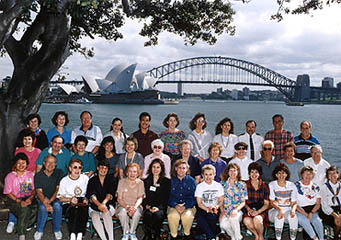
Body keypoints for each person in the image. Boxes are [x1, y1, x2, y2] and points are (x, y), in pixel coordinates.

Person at [3, 153, 37, 240]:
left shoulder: (30, 175)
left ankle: (24, 225)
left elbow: (33, 189)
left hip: (27, 197)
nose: (21, 165)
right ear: (15, 164)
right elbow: (8, 193)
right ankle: (21, 233)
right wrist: (19, 201)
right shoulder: (10, 176)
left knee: (36, 208)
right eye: (18, 163)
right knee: (24, 210)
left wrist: (30, 198)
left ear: (27, 164)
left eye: (23, 163)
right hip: (13, 199)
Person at [33, 155, 64, 240]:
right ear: (44, 163)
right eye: (48, 162)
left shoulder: (59, 173)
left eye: (53, 162)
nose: (50, 164)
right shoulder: (38, 175)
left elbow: (58, 189)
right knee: (43, 208)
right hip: (43, 198)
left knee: (57, 207)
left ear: (56, 164)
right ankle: (39, 230)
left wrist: (50, 202)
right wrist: (46, 203)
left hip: (55, 198)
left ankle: (57, 230)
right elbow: (39, 192)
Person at [57, 159, 89, 240]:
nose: (77, 170)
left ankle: (80, 233)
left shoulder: (85, 178)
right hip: (68, 202)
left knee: (82, 209)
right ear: (70, 168)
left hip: (81, 201)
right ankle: (72, 234)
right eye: (75, 167)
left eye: (79, 167)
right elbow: (60, 198)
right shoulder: (64, 180)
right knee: (74, 210)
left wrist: (86, 199)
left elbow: (89, 192)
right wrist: (70, 199)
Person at [86, 160, 118, 240]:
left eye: (105, 168)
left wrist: (103, 204)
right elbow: (91, 195)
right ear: (97, 168)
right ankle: (103, 238)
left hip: (108, 205)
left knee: (105, 211)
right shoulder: (92, 180)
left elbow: (110, 193)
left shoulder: (111, 179)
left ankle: (111, 238)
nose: (103, 170)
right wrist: (99, 204)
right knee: (94, 215)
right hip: (95, 205)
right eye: (101, 167)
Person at [168, 159, 197, 240]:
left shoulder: (191, 181)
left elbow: (194, 196)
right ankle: (174, 236)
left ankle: (187, 235)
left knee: (187, 217)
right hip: (174, 205)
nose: (181, 170)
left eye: (184, 168)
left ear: (187, 169)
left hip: (188, 206)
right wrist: (175, 205)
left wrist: (186, 206)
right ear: (176, 168)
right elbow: (168, 196)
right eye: (179, 168)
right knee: (172, 216)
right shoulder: (171, 181)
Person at [142, 159, 171, 240]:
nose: (155, 169)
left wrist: (159, 207)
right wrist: (147, 206)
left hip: (160, 207)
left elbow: (166, 197)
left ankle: (156, 234)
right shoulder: (145, 181)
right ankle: (148, 235)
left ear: (161, 169)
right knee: (148, 215)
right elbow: (143, 195)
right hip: (148, 206)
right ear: (150, 168)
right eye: (153, 167)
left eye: (158, 167)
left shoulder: (167, 182)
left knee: (157, 215)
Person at [268, 163, 298, 240]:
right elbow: (272, 202)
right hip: (275, 210)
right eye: (279, 173)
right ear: (276, 175)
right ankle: (278, 238)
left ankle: (293, 238)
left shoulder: (292, 185)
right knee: (279, 216)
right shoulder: (272, 185)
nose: (281, 175)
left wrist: (293, 210)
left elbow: (294, 203)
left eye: (283, 173)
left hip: (288, 209)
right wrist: (280, 209)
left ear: (287, 174)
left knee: (293, 217)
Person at [116, 163, 145, 240]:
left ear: (138, 173)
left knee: (136, 214)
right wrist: (127, 207)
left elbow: (140, 198)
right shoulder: (121, 182)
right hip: (123, 205)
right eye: (130, 171)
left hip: (136, 205)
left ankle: (132, 232)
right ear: (127, 173)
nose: (132, 174)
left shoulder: (140, 183)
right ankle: (126, 232)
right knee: (122, 213)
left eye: (135, 171)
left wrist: (134, 208)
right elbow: (119, 198)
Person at [195, 164, 224, 240]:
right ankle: (212, 237)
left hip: (215, 208)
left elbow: (221, 201)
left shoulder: (218, 186)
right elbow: (199, 203)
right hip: (203, 208)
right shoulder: (200, 186)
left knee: (212, 217)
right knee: (200, 217)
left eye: (210, 174)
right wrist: (207, 209)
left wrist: (216, 207)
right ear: (202, 175)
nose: (208, 177)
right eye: (206, 174)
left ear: (214, 175)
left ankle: (209, 236)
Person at [295, 166, 324, 240]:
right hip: (300, 209)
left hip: (313, 209)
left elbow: (318, 204)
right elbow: (294, 203)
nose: (308, 176)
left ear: (313, 175)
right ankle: (314, 238)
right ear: (301, 175)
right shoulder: (295, 186)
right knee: (303, 220)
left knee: (317, 221)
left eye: (310, 174)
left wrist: (311, 213)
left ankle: (321, 238)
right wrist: (306, 215)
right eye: (306, 174)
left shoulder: (316, 186)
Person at [219, 163, 247, 240]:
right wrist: (222, 212)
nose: (232, 173)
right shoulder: (222, 184)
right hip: (225, 211)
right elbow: (220, 200)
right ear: (227, 172)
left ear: (238, 172)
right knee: (223, 225)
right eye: (230, 171)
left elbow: (243, 202)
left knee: (233, 218)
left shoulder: (242, 184)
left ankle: (238, 238)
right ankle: (235, 237)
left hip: (237, 211)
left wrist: (235, 210)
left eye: (234, 170)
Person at [243, 162, 270, 240]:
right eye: (252, 172)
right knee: (246, 220)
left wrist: (258, 212)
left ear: (259, 173)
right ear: (249, 173)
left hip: (261, 209)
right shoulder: (245, 185)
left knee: (257, 220)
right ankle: (256, 235)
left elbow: (266, 204)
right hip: (249, 208)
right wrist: (249, 209)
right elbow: (243, 201)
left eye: (256, 172)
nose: (254, 174)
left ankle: (261, 236)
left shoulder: (264, 185)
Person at [320, 165, 341, 238]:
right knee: (338, 222)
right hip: (328, 211)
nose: (332, 175)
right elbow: (325, 206)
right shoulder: (324, 188)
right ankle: (336, 236)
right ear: (327, 176)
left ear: (338, 175)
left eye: (334, 173)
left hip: (339, 209)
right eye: (330, 174)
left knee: (339, 221)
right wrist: (335, 215)